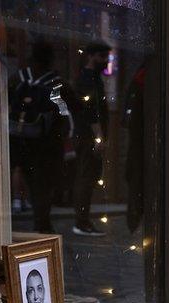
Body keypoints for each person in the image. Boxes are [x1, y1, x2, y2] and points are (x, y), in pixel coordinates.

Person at [8, 41, 70, 233]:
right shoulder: (56, 83)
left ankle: (29, 211)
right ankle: (41, 222)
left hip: (19, 139)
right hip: (45, 144)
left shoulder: (17, 78)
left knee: (25, 175)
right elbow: (64, 111)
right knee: (42, 185)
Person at [71, 43, 112, 237]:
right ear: (91, 56)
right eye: (102, 56)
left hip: (89, 136)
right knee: (86, 178)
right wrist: (99, 136)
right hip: (87, 137)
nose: (105, 61)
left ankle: (83, 220)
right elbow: (90, 111)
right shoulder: (87, 79)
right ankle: (81, 221)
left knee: (88, 177)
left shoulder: (93, 78)